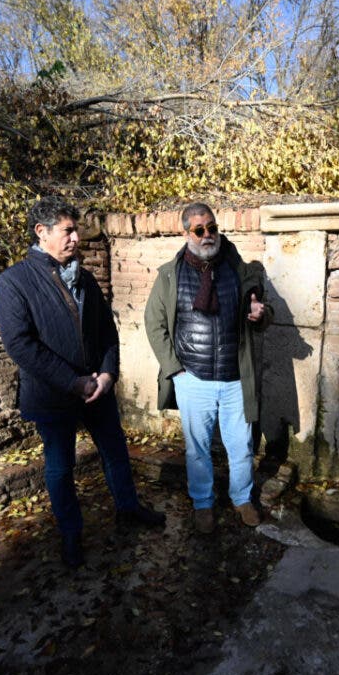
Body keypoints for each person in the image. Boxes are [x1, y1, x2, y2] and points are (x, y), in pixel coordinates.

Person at [0, 196, 163, 568]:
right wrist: (74, 382)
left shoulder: (84, 277)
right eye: (68, 231)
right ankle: (70, 534)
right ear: (42, 232)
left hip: (97, 390)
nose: (76, 239)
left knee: (115, 451)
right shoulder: (14, 281)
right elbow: (20, 345)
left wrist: (106, 374)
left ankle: (128, 508)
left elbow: (107, 332)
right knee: (60, 467)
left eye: (77, 230)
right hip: (53, 395)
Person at [144, 202, 273, 534]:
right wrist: (175, 370)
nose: (207, 235)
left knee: (241, 446)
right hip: (193, 378)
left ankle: (242, 499)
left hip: (234, 377)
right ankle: (202, 504)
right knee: (198, 450)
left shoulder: (239, 270)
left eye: (212, 228)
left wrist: (260, 315)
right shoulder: (170, 275)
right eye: (199, 230)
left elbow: (261, 315)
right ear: (186, 233)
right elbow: (154, 322)